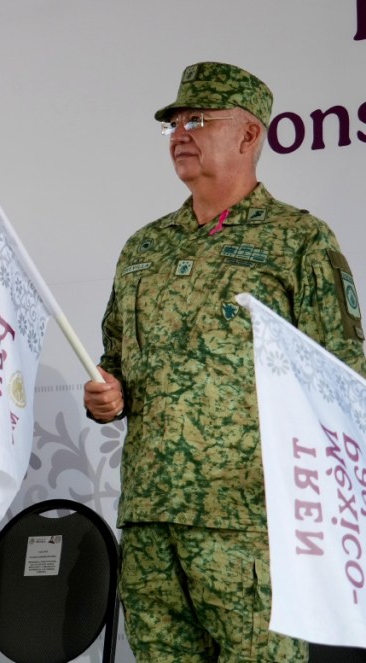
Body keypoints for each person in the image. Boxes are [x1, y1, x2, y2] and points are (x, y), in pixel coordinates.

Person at [83, 62, 366, 662]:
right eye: (175, 124)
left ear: (248, 135)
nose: (181, 134)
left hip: (251, 523)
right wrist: (107, 395)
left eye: (198, 120)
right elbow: (115, 364)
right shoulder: (144, 247)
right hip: (150, 517)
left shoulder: (299, 241)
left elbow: (343, 381)